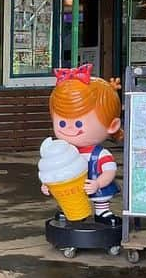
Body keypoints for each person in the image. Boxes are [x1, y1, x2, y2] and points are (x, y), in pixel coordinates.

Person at [43, 63, 123, 225]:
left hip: (95, 186)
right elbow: (55, 172)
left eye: (79, 123)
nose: (70, 129)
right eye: (62, 123)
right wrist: (48, 185)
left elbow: (109, 171)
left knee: (100, 198)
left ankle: (102, 212)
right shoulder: (61, 153)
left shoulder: (100, 155)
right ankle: (69, 210)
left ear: (112, 125)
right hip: (72, 192)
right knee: (68, 199)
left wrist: (98, 183)